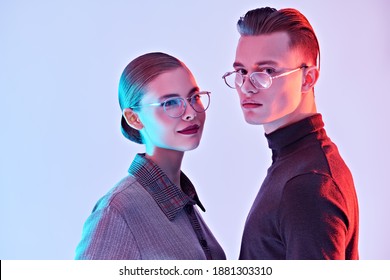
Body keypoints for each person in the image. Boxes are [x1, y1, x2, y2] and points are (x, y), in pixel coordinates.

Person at [222, 7, 359, 259]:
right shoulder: (296, 164)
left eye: (267, 72)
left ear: (308, 79)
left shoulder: (307, 183)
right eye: (241, 71)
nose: (247, 87)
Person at [75, 52, 226, 260]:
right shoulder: (118, 211)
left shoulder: (181, 200)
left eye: (194, 97)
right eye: (170, 103)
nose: (190, 111)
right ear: (134, 118)